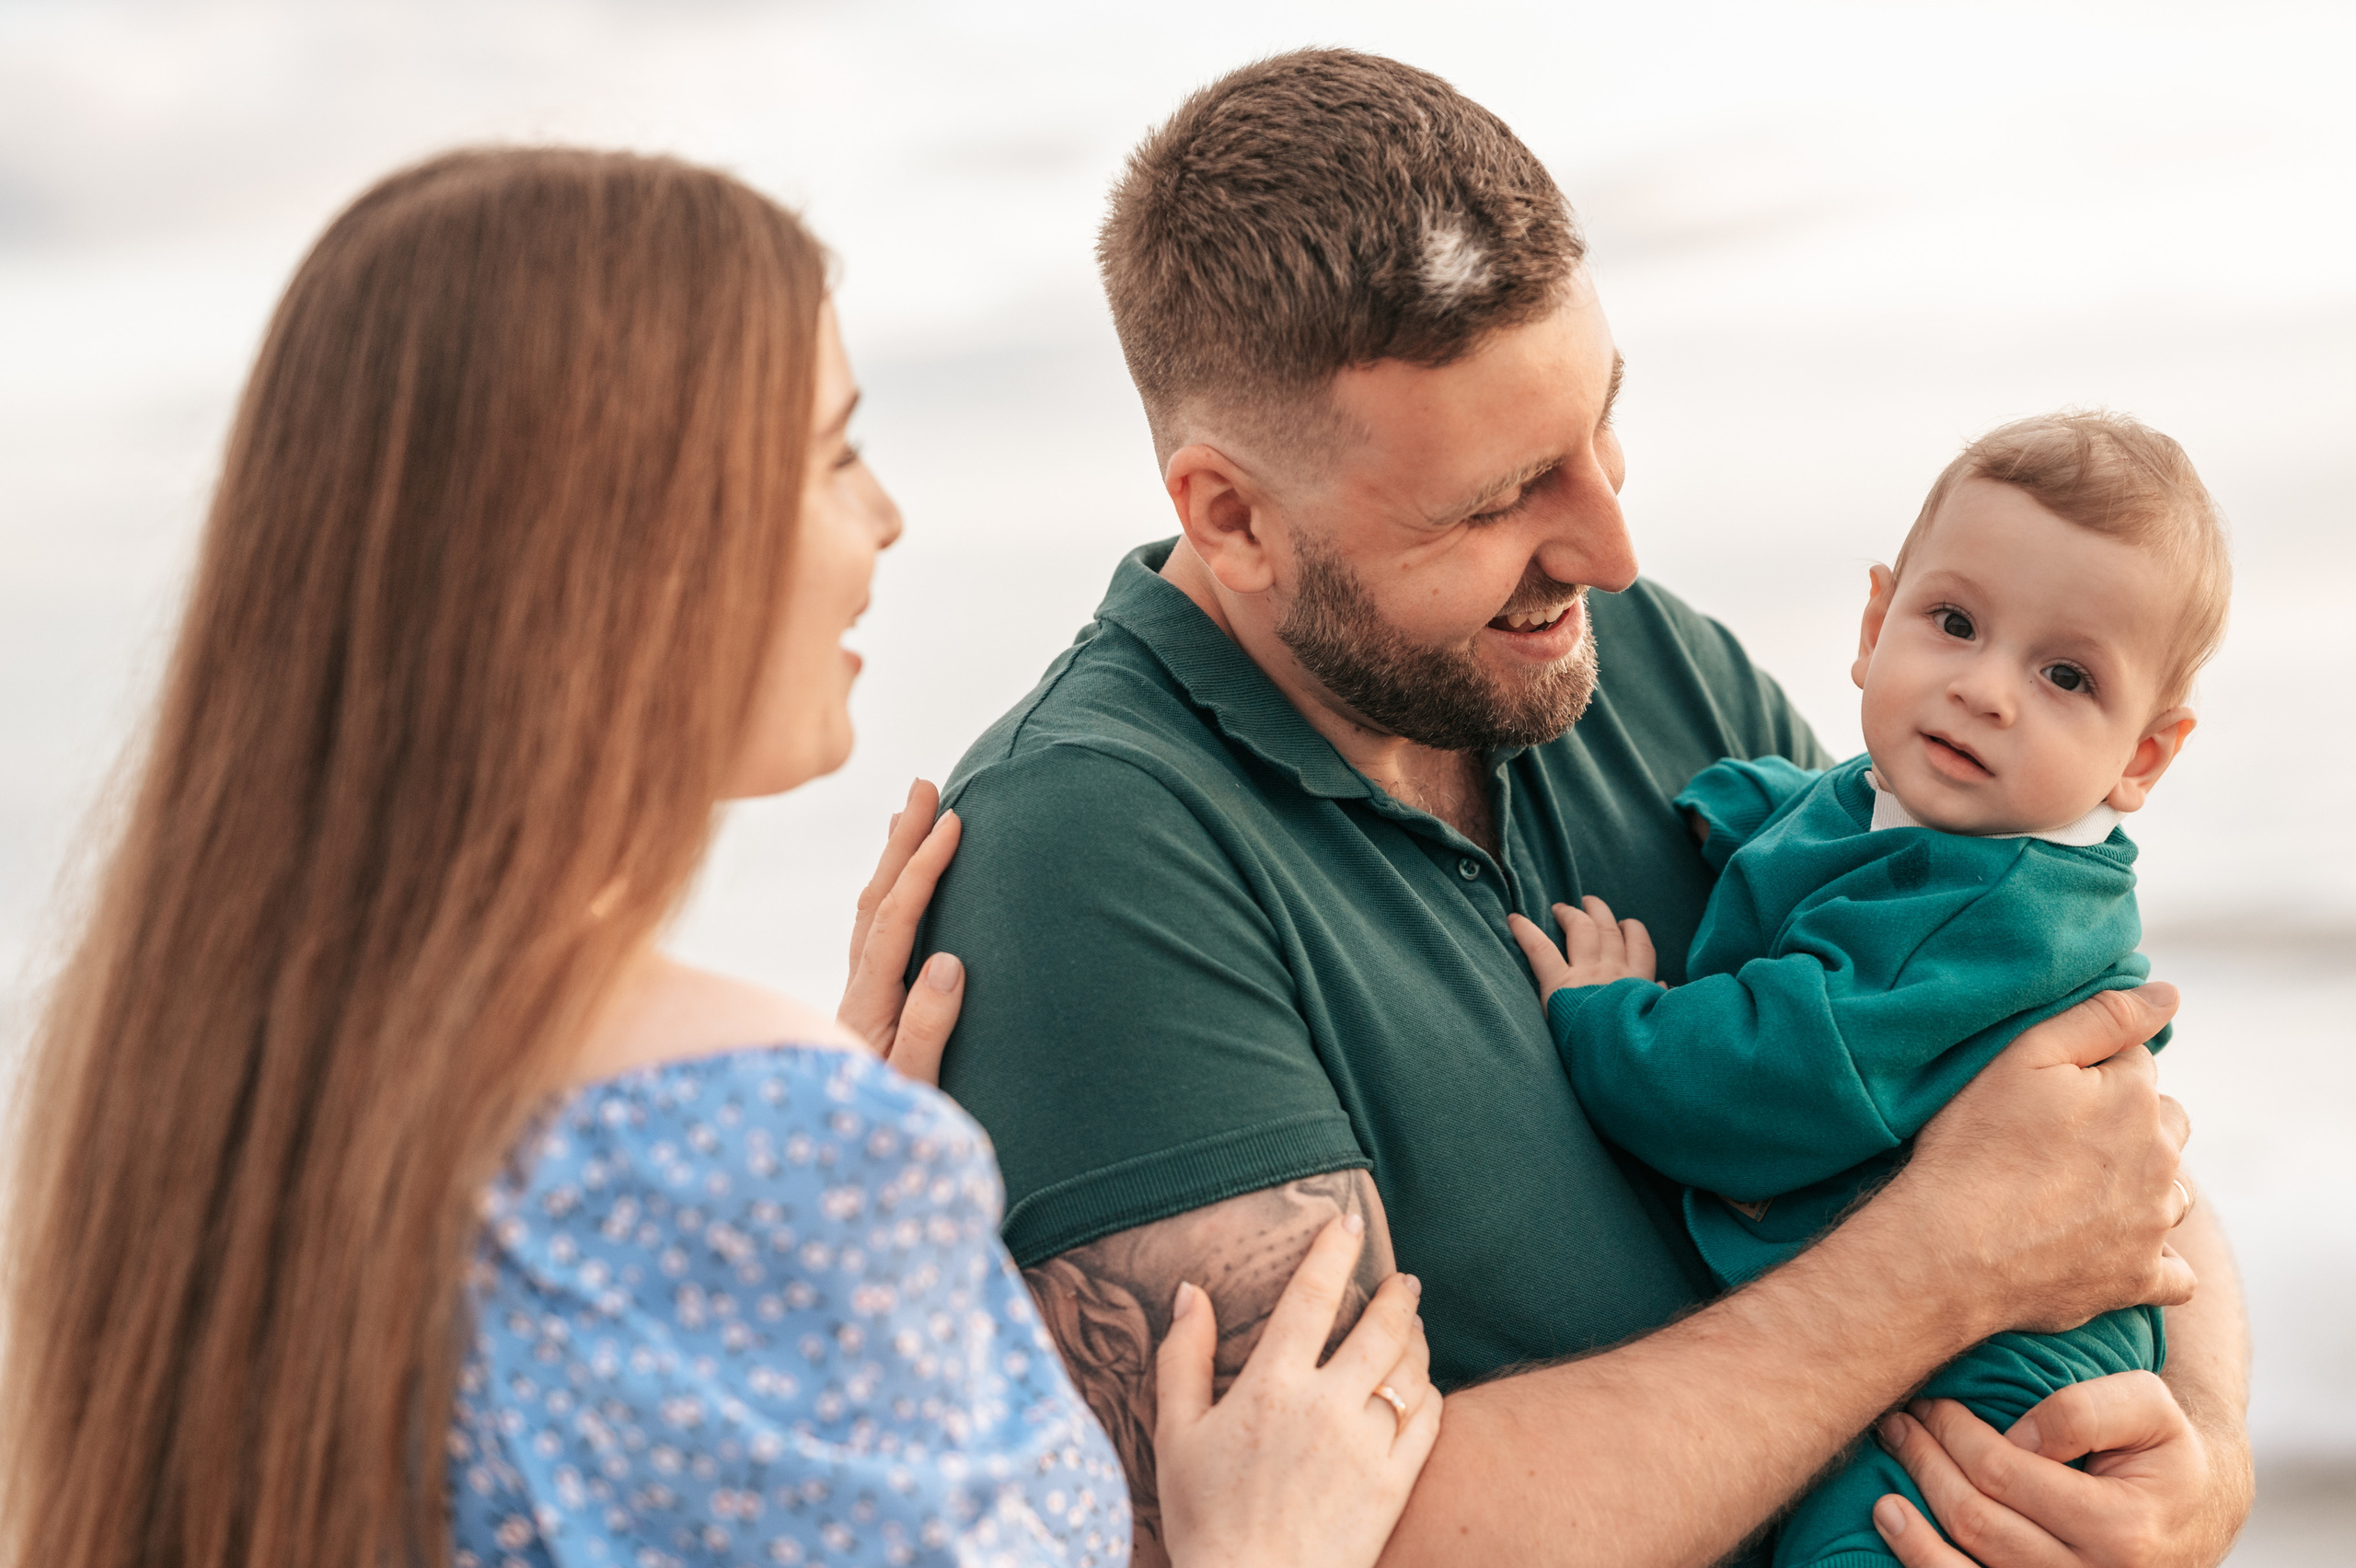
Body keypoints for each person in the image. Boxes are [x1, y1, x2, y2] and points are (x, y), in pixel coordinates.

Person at [0, 147, 1442, 1568]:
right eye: (832, 452)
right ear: (622, 542)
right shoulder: (769, 1155)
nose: (884, 515)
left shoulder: (170, 1094)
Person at [913, 50, 2253, 1568]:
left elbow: (2064, 1114)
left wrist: (2194, 1471)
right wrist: (1930, 1273)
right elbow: (1342, 1539)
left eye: (1601, 427)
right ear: (1230, 515)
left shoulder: (1629, 658)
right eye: (1501, 497)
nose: (1609, 543)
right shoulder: (1090, 853)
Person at [1509, 410, 2230, 1566]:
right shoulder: (1927, 797)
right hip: (1916, 1328)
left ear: (2142, 756)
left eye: (2065, 676)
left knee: (1873, 1542)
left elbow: (1767, 1079)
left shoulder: (1996, 909)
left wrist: (1609, 1015)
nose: (1987, 690)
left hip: (1997, 1388)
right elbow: (1829, 813)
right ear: (1873, 623)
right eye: (1953, 623)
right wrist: (1741, 808)